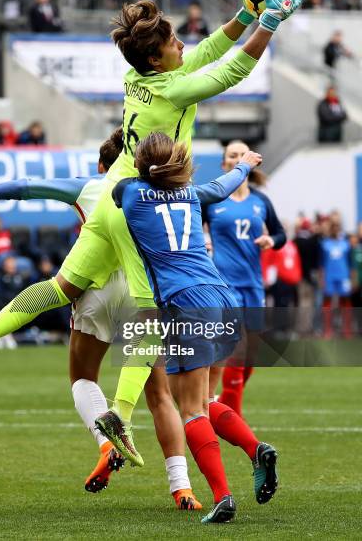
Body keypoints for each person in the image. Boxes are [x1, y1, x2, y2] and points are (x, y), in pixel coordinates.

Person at [0, 0, 302, 465]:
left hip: (110, 198)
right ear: (156, 58)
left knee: (63, 287)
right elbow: (229, 71)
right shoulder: (174, 93)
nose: (183, 44)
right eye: (173, 41)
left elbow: (203, 55)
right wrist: (269, 22)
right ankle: (120, 412)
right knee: (150, 312)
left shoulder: (137, 77)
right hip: (144, 209)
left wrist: (244, 14)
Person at [0, 129, 203, 511]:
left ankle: (105, 442)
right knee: (160, 396)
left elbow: (29, 186)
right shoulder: (161, 191)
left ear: (103, 165)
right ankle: (181, 488)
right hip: (144, 293)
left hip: (93, 289)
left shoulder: (92, 186)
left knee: (82, 377)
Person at [110, 132, 278, 523]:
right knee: (204, 399)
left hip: (184, 303)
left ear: (142, 164)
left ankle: (223, 496)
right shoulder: (191, 195)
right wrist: (245, 165)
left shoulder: (130, 194)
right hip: (222, 297)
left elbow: (119, 189)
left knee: (188, 409)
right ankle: (256, 450)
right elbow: (222, 186)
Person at [202, 140, 286, 417]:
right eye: (232, 155)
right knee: (236, 354)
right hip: (225, 286)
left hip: (253, 285)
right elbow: (189, 226)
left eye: (243, 154)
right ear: (225, 164)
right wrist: (203, 240)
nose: (238, 159)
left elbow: (281, 234)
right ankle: (235, 424)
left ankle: (222, 409)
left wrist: (270, 240)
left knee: (249, 359)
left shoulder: (261, 201)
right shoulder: (213, 198)